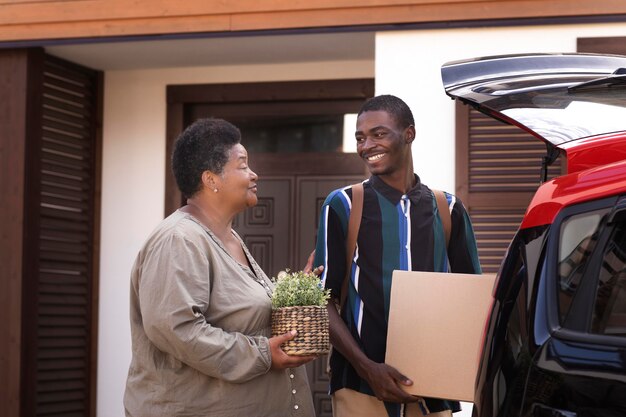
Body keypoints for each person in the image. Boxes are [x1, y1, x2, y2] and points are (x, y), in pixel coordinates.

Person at [124, 118, 316, 416]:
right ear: (211, 179)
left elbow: (240, 310)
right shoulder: (180, 239)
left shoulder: (229, 237)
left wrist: (299, 290)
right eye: (242, 166)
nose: (254, 174)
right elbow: (179, 330)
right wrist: (264, 354)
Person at [313, 95, 482, 417]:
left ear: (409, 134)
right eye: (360, 138)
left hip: (432, 390)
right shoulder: (343, 205)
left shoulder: (448, 209)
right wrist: (367, 368)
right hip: (360, 387)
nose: (367, 145)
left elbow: (471, 301)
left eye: (379, 134)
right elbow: (321, 300)